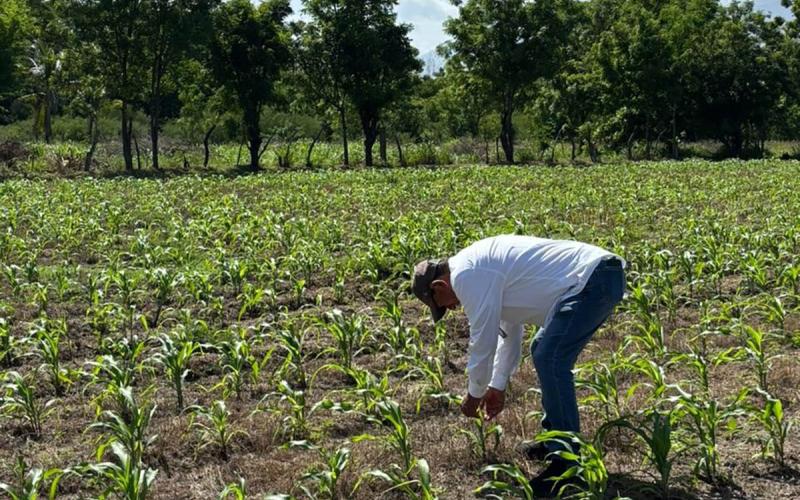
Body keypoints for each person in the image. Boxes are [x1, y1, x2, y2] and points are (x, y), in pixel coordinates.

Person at [412, 234, 625, 496]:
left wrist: (474, 394)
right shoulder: (478, 268)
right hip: (596, 277)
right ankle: (554, 442)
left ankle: (567, 462)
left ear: (438, 286)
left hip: (593, 279)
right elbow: (509, 331)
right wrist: (497, 386)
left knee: (550, 357)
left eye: (443, 306)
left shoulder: (467, 275)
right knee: (543, 349)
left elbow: (483, 340)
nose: (453, 308)